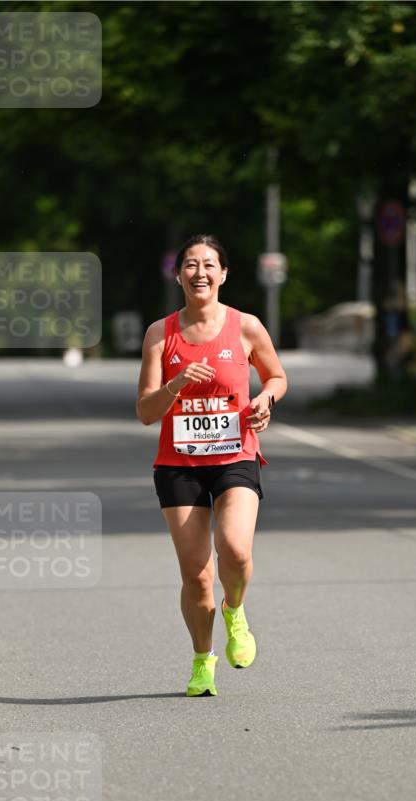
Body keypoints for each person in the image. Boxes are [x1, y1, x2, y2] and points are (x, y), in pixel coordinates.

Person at [136, 234, 287, 697]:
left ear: (223, 274)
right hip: (178, 466)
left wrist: (266, 398)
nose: (199, 272)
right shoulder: (161, 334)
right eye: (190, 265)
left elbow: (277, 376)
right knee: (197, 574)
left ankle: (235, 610)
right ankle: (203, 660)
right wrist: (176, 382)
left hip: (235, 456)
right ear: (178, 274)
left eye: (209, 265)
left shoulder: (246, 327)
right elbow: (145, 411)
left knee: (236, 551)